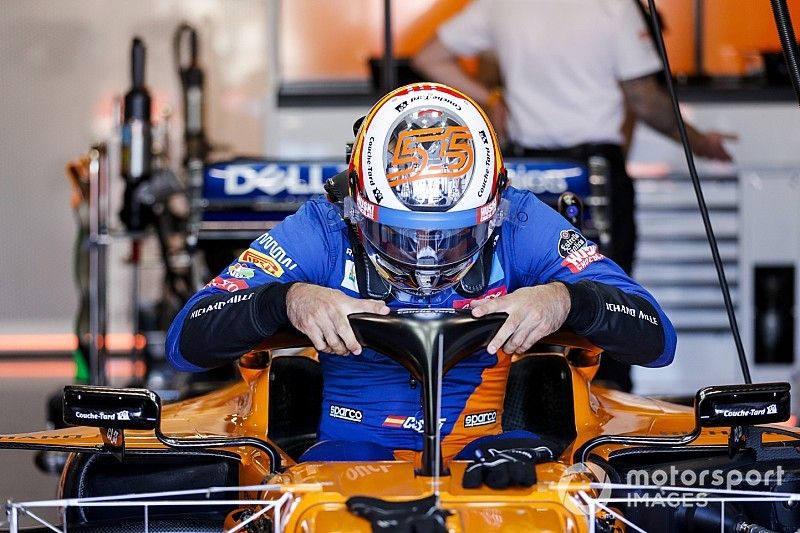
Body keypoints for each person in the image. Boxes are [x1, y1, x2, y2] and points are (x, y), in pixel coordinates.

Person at [166, 83, 676, 488]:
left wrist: (564, 298)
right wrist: (287, 300)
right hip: (347, 453)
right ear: (358, 205)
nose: (426, 257)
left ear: (492, 210)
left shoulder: (522, 222)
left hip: (488, 451)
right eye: (401, 236)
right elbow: (185, 343)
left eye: (452, 237)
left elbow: (657, 340)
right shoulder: (322, 227)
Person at [412, 0, 734, 392]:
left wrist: (491, 99)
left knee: (518, 299)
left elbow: (430, 57)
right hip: (595, 175)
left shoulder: (499, 5)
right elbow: (643, 99)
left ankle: (521, 411)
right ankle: (604, 422)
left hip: (528, 176)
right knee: (607, 300)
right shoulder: (614, 7)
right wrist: (700, 143)